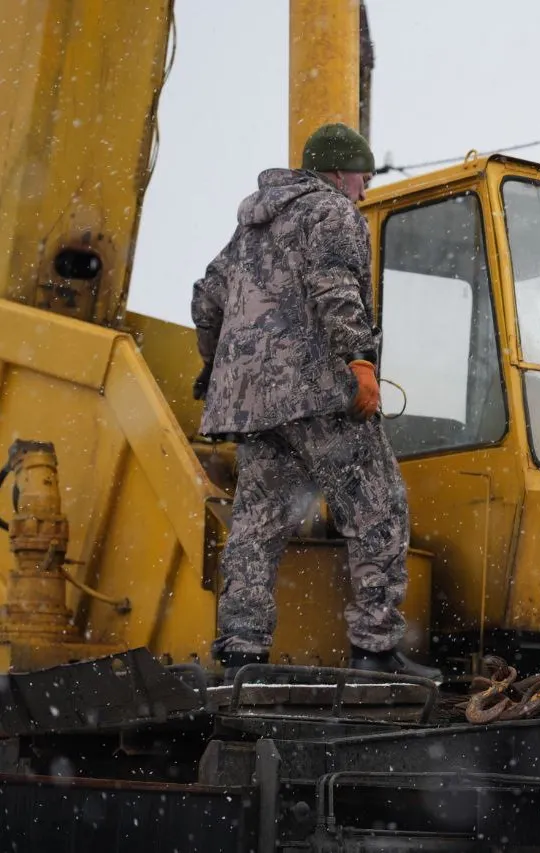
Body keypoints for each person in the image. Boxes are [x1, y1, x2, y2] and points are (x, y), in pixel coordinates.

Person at [190, 122, 441, 681]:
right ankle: (375, 650)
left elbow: (206, 300)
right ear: (335, 173)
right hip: (316, 393)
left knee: (257, 525)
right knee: (379, 508)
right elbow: (335, 287)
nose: (365, 188)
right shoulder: (331, 213)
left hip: (254, 408)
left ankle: (242, 654)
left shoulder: (249, 231)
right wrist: (359, 362)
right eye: (362, 177)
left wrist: (218, 366)